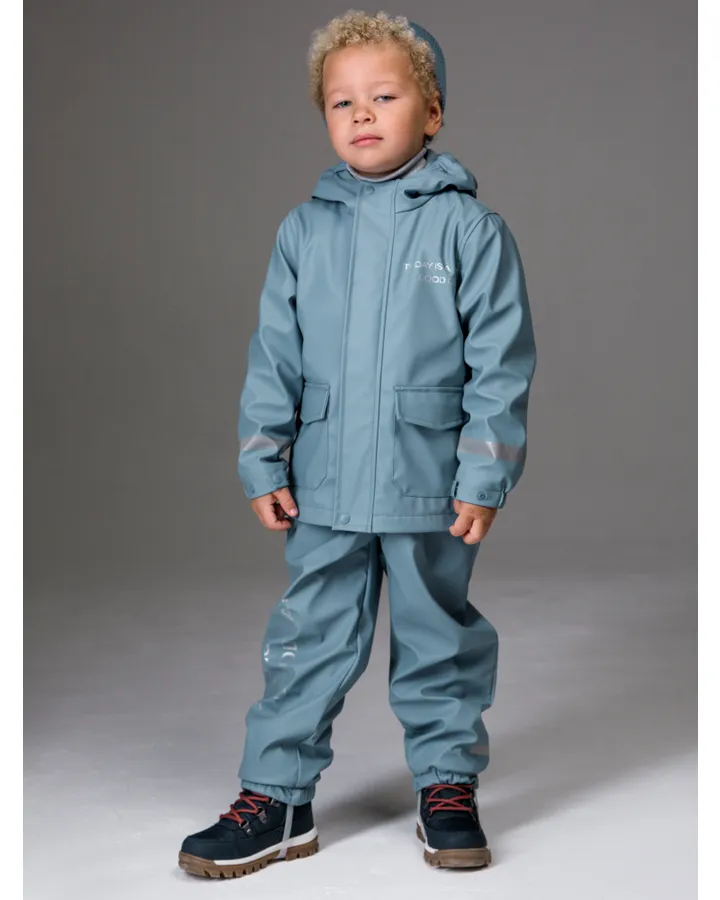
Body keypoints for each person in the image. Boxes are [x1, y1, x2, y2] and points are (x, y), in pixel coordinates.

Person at [179, 10, 536, 879]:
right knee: (306, 637)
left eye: (385, 96)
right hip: (327, 482)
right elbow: (275, 355)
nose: (362, 113)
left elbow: (502, 363)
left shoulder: (469, 230)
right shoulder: (305, 231)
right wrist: (262, 456)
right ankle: (277, 797)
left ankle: (447, 785)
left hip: (428, 482)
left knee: (438, 636)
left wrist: (484, 475)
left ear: (433, 111)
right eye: (342, 102)